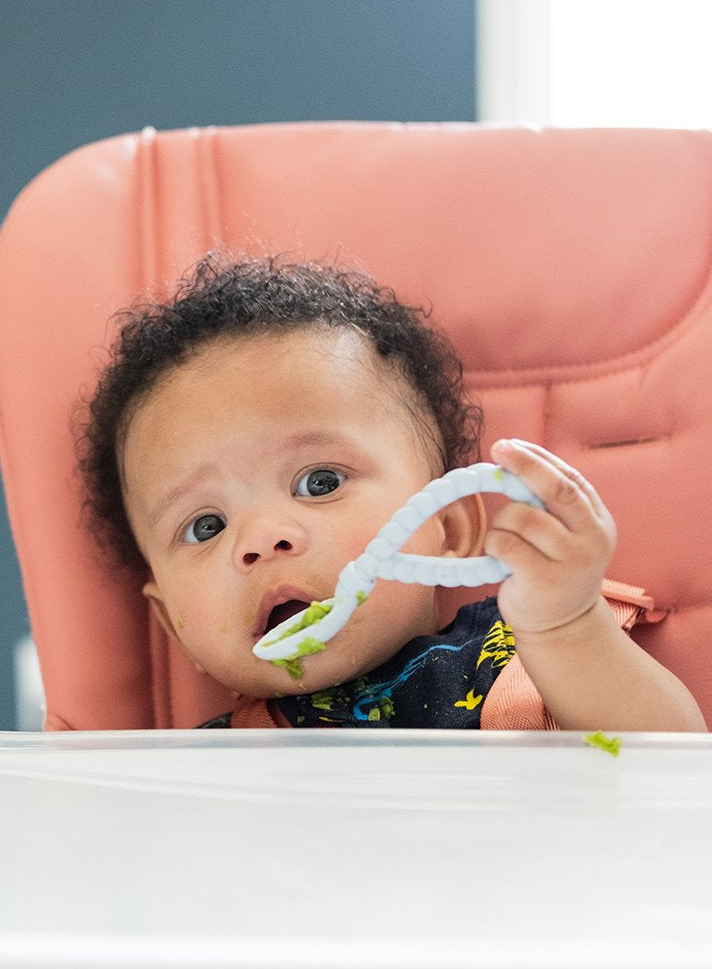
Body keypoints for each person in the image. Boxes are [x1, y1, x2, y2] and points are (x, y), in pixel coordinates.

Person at [78, 255, 705, 732]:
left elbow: (673, 775)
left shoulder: (524, 654)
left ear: (449, 530)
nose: (261, 538)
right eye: (205, 526)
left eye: (319, 483)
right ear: (170, 621)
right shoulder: (214, 766)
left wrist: (568, 625)